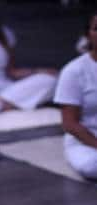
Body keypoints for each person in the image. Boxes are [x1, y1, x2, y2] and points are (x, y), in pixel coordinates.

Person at [55, 10, 97, 180]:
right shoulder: (74, 71)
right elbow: (70, 124)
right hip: (87, 141)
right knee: (92, 166)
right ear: (88, 35)